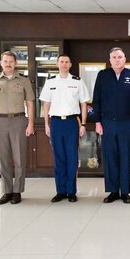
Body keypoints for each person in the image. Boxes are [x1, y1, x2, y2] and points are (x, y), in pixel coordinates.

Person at [92, 47, 130, 204]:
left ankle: (125, 192)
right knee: (110, 158)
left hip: (127, 123)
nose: (117, 59)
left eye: (120, 57)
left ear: (125, 59)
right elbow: (97, 100)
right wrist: (97, 121)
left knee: (125, 156)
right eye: (114, 57)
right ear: (110, 60)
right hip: (107, 123)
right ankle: (113, 191)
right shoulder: (102, 76)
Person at [0, 51, 35, 205]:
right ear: (1, 63)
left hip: (18, 120)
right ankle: (7, 191)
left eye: (11, 61)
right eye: (5, 61)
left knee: (20, 157)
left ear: (16, 63)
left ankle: (17, 191)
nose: (8, 64)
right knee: (3, 158)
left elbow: (30, 103)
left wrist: (31, 123)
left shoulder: (24, 81)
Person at [39, 55, 90, 203]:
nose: (64, 64)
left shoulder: (77, 82)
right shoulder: (50, 82)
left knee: (72, 157)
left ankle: (71, 191)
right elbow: (46, 105)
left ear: (70, 64)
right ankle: (60, 191)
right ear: (57, 64)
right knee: (59, 157)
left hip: (71, 122)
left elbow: (83, 104)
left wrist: (83, 124)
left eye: (67, 61)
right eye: (61, 61)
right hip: (55, 123)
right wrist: (46, 124)